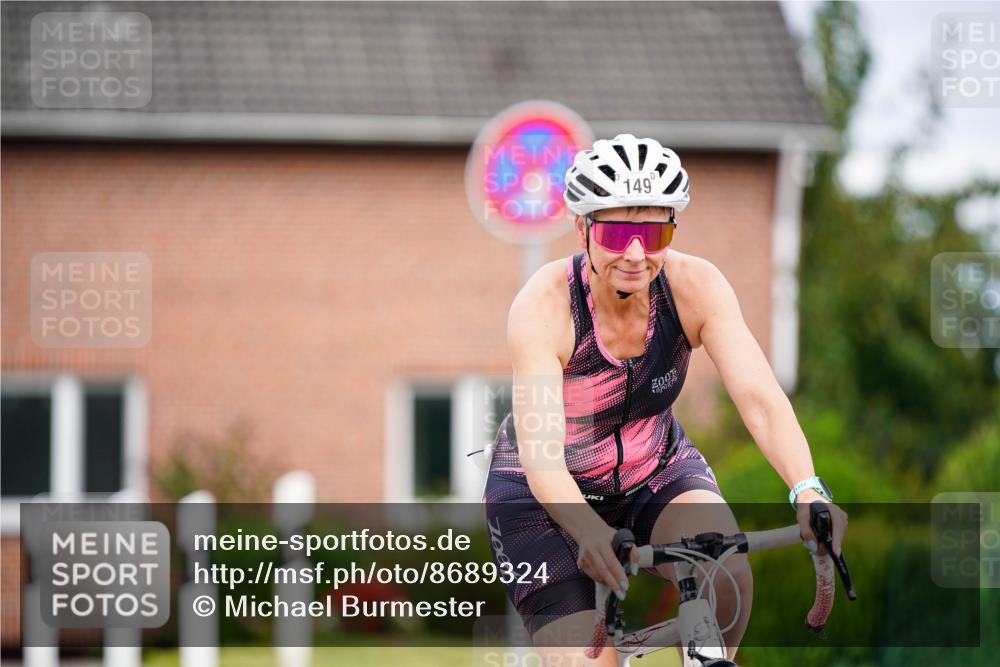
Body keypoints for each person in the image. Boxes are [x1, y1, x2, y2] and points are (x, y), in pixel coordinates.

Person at [483, 134, 848, 665]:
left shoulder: (694, 286)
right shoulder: (544, 306)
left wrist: (807, 489)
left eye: (654, 232)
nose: (637, 252)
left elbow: (760, 399)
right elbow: (542, 453)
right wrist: (588, 530)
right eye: (619, 231)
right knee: (587, 660)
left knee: (726, 572)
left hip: (654, 472)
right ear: (582, 226)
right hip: (542, 499)